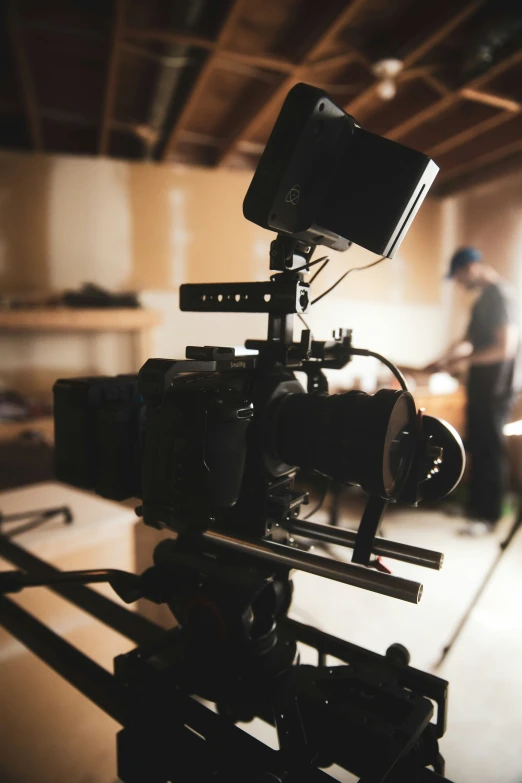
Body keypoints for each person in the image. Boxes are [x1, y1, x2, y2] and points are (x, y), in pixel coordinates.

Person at [426, 247, 519, 534]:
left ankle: (488, 517)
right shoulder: (483, 301)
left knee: (490, 450)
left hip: (496, 389)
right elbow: (467, 338)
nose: (460, 284)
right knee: (478, 447)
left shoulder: (501, 297)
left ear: (472, 268)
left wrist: (461, 360)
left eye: (459, 277)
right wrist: (444, 357)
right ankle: (475, 509)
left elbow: (504, 348)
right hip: (479, 387)